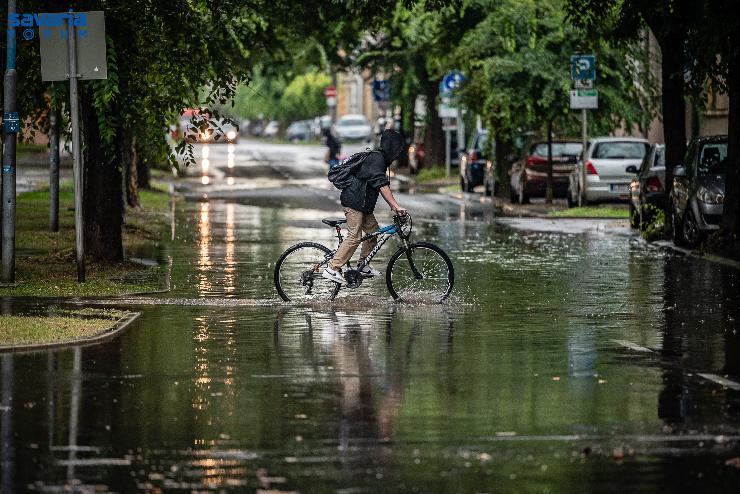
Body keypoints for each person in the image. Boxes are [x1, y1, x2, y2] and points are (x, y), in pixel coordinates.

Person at [322, 125, 407, 285]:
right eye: (397, 150)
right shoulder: (377, 159)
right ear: (391, 148)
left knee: (373, 232)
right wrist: (395, 206)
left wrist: (393, 205)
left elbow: (379, 184)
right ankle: (332, 268)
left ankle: (363, 265)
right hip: (354, 202)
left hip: (363, 204)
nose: (397, 154)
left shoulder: (380, 160)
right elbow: (381, 184)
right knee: (354, 237)